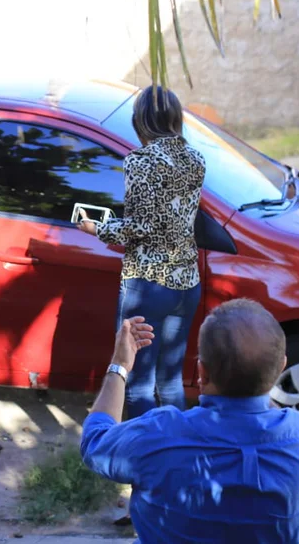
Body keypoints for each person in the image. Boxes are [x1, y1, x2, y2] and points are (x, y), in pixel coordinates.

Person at [81, 299, 299, 543]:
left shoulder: (157, 435)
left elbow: (95, 441)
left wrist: (120, 365)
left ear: (202, 372)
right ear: (281, 367)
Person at [77, 85, 206, 418]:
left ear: (141, 120)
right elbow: (169, 216)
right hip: (187, 282)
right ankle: (177, 448)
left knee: (138, 383)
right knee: (171, 381)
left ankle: (142, 460)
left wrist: (97, 228)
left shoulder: (141, 161)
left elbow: (141, 226)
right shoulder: (196, 159)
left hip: (148, 284)